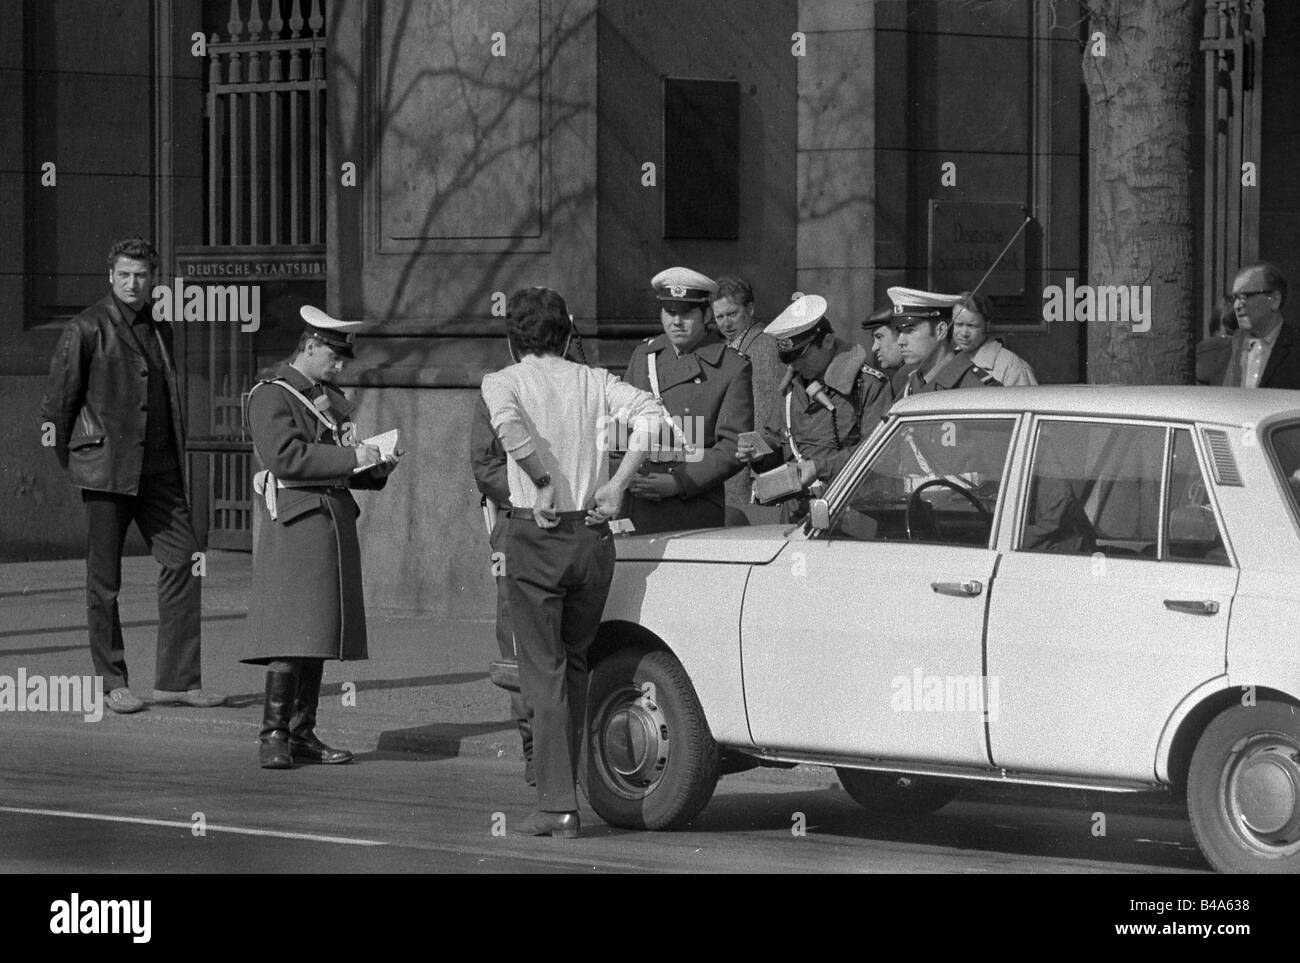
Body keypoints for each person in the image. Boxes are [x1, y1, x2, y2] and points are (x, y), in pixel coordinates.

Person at [480, 286, 661, 838]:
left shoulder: (502, 381)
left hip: (536, 535)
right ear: (564, 334)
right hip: (593, 537)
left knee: (544, 671)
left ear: (514, 341)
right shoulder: (595, 380)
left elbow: (508, 428)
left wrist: (539, 480)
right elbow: (653, 416)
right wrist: (618, 483)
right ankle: (575, 784)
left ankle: (557, 804)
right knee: (575, 662)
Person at [40, 237, 226, 714]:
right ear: (110, 276)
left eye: (141, 274)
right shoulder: (86, 327)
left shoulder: (160, 329)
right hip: (107, 474)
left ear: (153, 278)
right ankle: (111, 681)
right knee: (105, 581)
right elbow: (57, 406)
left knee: (183, 561)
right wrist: (80, 462)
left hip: (160, 472)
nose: (132, 282)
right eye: (123, 274)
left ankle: (178, 680)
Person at [243, 306, 400, 769]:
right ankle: (273, 734)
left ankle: (301, 732)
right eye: (333, 355)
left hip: (327, 522)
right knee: (292, 635)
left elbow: (337, 460)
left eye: (342, 358)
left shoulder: (326, 397)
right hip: (295, 524)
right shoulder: (271, 395)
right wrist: (353, 457)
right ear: (309, 346)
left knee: (318, 636)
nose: (339, 365)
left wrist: (374, 465)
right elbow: (286, 458)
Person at [620, 267, 752, 534]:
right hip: (638, 499)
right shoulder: (644, 356)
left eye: (686, 313)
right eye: (670, 312)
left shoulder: (731, 367)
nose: (676, 322)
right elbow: (620, 428)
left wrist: (678, 482)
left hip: (692, 503)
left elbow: (732, 447)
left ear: (705, 315)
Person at [737, 294, 890, 515]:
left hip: (851, 509)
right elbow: (778, 439)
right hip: (795, 511)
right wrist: (759, 452)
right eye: (789, 359)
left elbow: (877, 452)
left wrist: (819, 468)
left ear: (827, 341)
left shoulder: (868, 385)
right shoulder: (790, 388)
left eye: (802, 356)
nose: (796, 365)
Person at [470, 393, 535, 785]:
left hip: (577, 519)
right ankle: (533, 748)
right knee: (516, 638)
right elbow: (486, 466)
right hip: (518, 525)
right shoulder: (496, 392)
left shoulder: (583, 383)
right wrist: (537, 492)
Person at [711, 276, 782, 525]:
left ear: (750, 309)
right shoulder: (730, 347)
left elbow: (763, 409)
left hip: (750, 465)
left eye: (732, 313)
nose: (726, 323)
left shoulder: (762, 347)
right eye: (719, 317)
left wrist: (756, 463)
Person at [1196, 262, 1300, 388]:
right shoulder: (1214, 354)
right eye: (1235, 298)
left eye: (1244, 296)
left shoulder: (1295, 349)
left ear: (1274, 300)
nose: (1236, 306)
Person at [889, 286, 1003, 397]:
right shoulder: (909, 382)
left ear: (941, 331)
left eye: (909, 331)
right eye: (899, 331)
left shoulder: (979, 390)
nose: (900, 341)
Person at [951, 291, 1038, 386]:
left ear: (987, 326)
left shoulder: (1013, 368)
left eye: (972, 326)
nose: (964, 333)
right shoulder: (947, 359)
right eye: (959, 324)